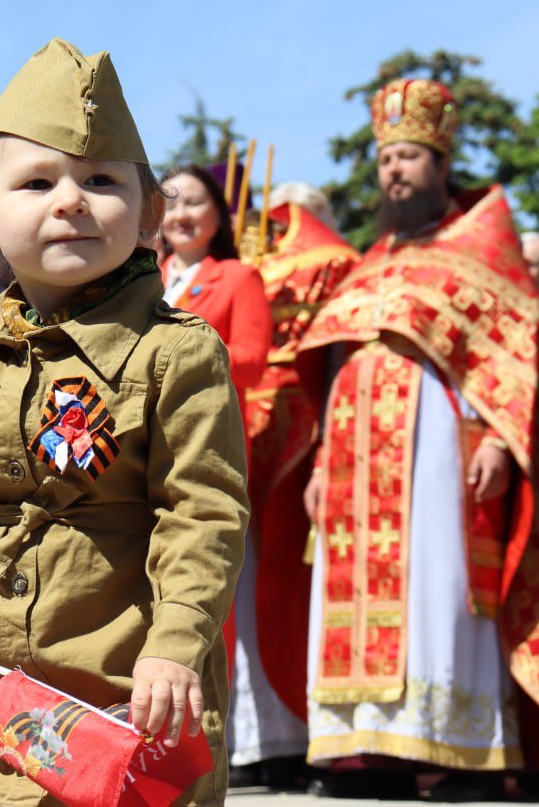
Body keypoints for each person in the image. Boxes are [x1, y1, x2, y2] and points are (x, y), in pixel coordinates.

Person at [0, 37, 248, 805]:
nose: (71, 200)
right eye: (38, 181)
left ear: (150, 213)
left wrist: (176, 647)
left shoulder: (176, 352)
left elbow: (203, 515)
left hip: (129, 696)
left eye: (102, 180)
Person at [297, 78, 539, 799]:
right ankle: (362, 752)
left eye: (410, 156)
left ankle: (452, 749)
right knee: (350, 592)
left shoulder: (480, 246)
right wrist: (322, 457)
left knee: (438, 582)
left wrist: (500, 445)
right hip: (354, 456)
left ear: (441, 164)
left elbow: (509, 355)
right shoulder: (371, 258)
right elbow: (332, 360)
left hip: (441, 444)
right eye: (388, 159)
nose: (395, 171)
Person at [227, 191, 358, 789]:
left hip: (291, 433)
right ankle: (250, 738)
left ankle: (289, 739)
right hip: (245, 433)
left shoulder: (321, 260)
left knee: (280, 586)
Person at [158, 165, 273, 414]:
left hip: (209, 431)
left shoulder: (239, 277)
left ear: (219, 214)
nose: (180, 215)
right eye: (171, 205)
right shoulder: (144, 280)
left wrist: (185, 354)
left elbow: (252, 367)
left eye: (193, 203)